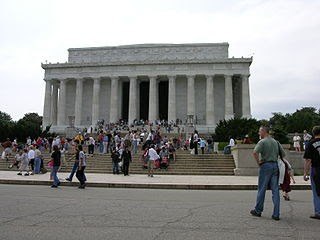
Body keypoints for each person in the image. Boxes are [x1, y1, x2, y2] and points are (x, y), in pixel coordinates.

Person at [250, 126, 285, 221]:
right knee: (275, 190)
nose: (258, 134)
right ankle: (276, 214)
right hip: (275, 166)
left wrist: (259, 163)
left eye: (259, 132)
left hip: (265, 165)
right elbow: (283, 154)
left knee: (262, 189)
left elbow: (255, 152)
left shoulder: (262, 142)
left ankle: (258, 210)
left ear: (263, 132)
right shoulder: (275, 142)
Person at [303, 125, 320, 220]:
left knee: (316, 191)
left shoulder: (310, 143)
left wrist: (305, 173)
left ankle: (318, 212)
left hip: (316, 169)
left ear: (313, 133)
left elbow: (308, 160)